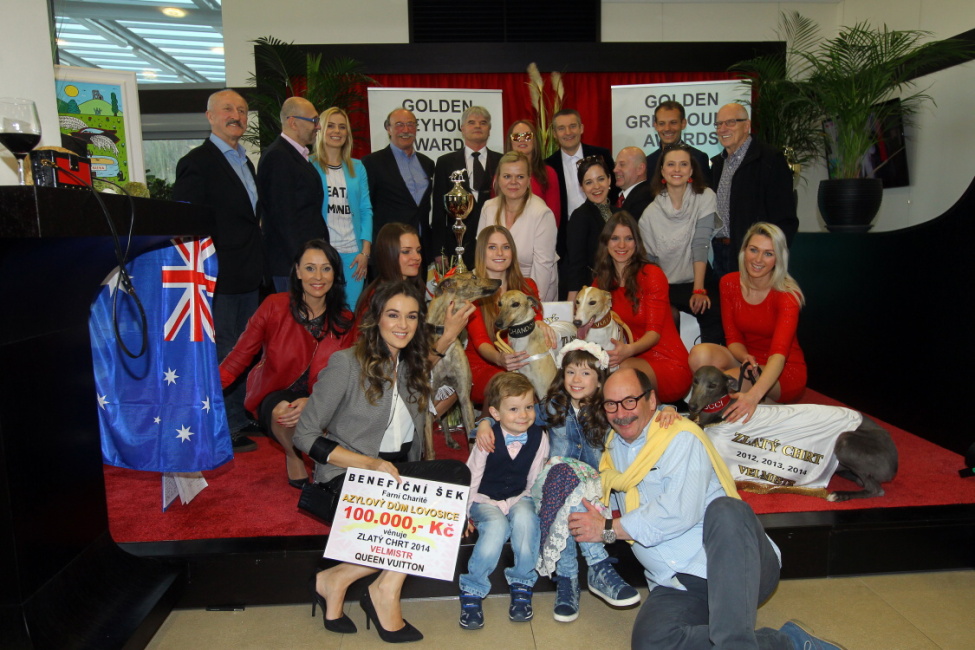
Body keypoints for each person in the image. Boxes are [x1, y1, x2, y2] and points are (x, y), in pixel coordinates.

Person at [567, 368, 843, 650]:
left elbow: (678, 512)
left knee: (726, 510)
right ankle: (789, 643)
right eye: (611, 404)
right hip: (675, 583)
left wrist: (608, 529)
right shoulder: (611, 452)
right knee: (652, 643)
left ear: (651, 401)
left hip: (735, 567)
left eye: (629, 401)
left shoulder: (679, 436)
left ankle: (735, 644)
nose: (620, 413)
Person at [294, 280, 470, 643]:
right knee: (428, 513)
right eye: (393, 315)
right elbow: (304, 435)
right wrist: (367, 464)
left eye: (412, 316)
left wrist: (450, 334)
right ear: (376, 318)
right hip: (347, 477)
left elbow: (426, 361)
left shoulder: (409, 364)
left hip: (392, 477)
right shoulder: (346, 363)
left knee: (454, 475)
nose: (403, 324)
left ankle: (343, 579)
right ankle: (380, 590)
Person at [474, 341, 640, 623]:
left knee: (570, 495)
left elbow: (641, 412)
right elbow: (513, 414)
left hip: (592, 490)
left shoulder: (607, 410)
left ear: (600, 379)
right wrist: (484, 423)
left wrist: (668, 411)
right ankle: (599, 566)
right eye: (570, 372)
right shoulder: (553, 406)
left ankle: (567, 580)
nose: (576, 379)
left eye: (586, 373)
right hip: (551, 484)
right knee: (563, 471)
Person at [219, 240, 353, 487]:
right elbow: (239, 356)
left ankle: (323, 457)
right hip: (277, 393)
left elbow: (350, 376)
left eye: (326, 268)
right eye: (310, 268)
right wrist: (204, 393)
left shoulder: (346, 320)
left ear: (335, 274)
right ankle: (294, 455)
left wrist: (315, 401)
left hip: (323, 396)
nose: (318, 276)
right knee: (286, 412)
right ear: (298, 271)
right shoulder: (274, 306)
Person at [173, 88, 263, 453]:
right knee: (226, 348)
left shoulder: (246, 162)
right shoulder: (197, 161)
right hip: (218, 274)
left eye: (242, 110)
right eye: (228, 109)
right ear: (210, 116)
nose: (236, 116)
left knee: (247, 346)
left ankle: (242, 414)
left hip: (249, 272)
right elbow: (186, 218)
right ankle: (226, 423)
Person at [688, 222, 806, 423]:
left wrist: (752, 397)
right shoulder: (729, 283)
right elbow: (733, 338)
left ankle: (759, 399)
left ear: (778, 258)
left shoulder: (787, 295)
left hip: (783, 369)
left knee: (722, 386)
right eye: (753, 250)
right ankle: (760, 404)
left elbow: (778, 356)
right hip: (747, 360)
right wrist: (744, 357)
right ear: (744, 251)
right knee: (700, 354)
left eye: (768, 254)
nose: (758, 259)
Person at [459, 372, 549, 630]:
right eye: (514, 409)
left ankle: (522, 581)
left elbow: (535, 477)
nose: (523, 415)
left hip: (519, 495)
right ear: (495, 413)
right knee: (496, 527)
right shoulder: (487, 437)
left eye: (529, 407)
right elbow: (472, 476)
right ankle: (473, 587)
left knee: (527, 520)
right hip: (485, 498)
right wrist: (463, 513)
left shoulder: (539, 437)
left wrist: (532, 505)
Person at [591, 212, 692, 404]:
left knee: (619, 372)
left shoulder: (651, 274)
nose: (622, 245)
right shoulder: (601, 282)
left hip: (667, 363)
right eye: (615, 238)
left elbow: (654, 334)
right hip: (625, 357)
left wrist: (628, 351)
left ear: (636, 243)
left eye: (628, 238)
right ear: (606, 242)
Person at [640, 144, 724, 345]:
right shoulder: (649, 214)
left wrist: (698, 290)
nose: (677, 170)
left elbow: (701, 243)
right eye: (671, 164)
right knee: (666, 317)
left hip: (699, 279)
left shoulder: (706, 197)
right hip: (666, 285)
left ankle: (709, 363)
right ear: (662, 171)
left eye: (683, 164)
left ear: (691, 170)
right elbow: (649, 262)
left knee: (714, 312)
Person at [465, 226, 553, 404]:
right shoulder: (473, 293)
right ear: (481, 252)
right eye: (492, 247)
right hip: (484, 364)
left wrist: (541, 324)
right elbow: (481, 340)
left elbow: (536, 317)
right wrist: (499, 359)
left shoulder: (527, 286)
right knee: (511, 389)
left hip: (523, 362)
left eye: (505, 247)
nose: (500, 253)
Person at [711, 103, 798, 278]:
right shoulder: (718, 164)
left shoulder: (770, 160)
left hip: (754, 257)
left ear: (747, 126)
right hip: (720, 253)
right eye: (719, 124)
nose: (722, 129)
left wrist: (769, 256)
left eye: (730, 122)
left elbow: (784, 217)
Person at [545, 109, 616, 299]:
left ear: (581, 128)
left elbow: (614, 190)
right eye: (561, 128)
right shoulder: (548, 166)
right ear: (554, 133)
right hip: (566, 244)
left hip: (603, 235)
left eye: (572, 126)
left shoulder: (601, 155)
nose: (568, 132)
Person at [258, 96, 327, 292]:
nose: (318, 127)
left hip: (303, 262)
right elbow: (283, 218)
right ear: (293, 122)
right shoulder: (278, 157)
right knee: (293, 313)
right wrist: (302, 263)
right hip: (291, 266)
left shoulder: (296, 155)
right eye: (314, 120)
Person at [311, 106, 372, 307]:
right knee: (321, 310)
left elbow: (365, 209)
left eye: (342, 127)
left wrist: (365, 253)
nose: (336, 131)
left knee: (350, 311)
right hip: (323, 253)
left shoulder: (358, 167)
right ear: (320, 129)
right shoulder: (309, 164)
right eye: (330, 126)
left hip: (354, 256)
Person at [476, 151, 558, 302]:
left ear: (528, 180)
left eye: (520, 177)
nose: (513, 182)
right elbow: (481, 256)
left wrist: (530, 303)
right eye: (507, 176)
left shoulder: (542, 213)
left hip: (531, 289)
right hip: (494, 289)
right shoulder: (488, 208)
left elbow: (543, 267)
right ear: (498, 179)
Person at [431, 106, 501, 269]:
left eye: (483, 123)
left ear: (489, 129)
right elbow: (439, 210)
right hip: (455, 244)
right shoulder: (445, 163)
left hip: (493, 243)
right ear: (462, 128)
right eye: (471, 122)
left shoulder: (501, 161)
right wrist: (439, 250)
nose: (477, 126)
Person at [361, 107, 435, 256]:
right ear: (388, 128)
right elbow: (366, 208)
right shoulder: (371, 163)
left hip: (420, 248)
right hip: (388, 247)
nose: (406, 130)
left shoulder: (427, 163)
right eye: (399, 125)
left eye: (410, 124)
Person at [565, 156, 617, 302]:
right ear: (581, 187)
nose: (596, 186)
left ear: (609, 180)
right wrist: (572, 302)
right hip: (592, 292)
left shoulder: (620, 214)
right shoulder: (580, 216)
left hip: (619, 288)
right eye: (589, 182)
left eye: (601, 179)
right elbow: (576, 263)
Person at [504, 119, 561, 222]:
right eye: (516, 137)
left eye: (527, 136)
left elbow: (553, 216)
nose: (522, 140)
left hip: (541, 230)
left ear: (534, 141)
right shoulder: (500, 175)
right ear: (510, 142)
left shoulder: (549, 173)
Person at [645, 100, 712, 188]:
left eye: (673, 123)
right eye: (662, 123)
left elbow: (703, 192)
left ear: (683, 124)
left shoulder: (698, 158)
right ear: (656, 126)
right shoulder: (648, 161)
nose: (667, 128)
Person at [613, 146, 654, 219]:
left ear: (640, 169)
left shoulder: (645, 199)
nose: (615, 170)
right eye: (615, 165)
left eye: (622, 165)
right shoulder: (617, 197)